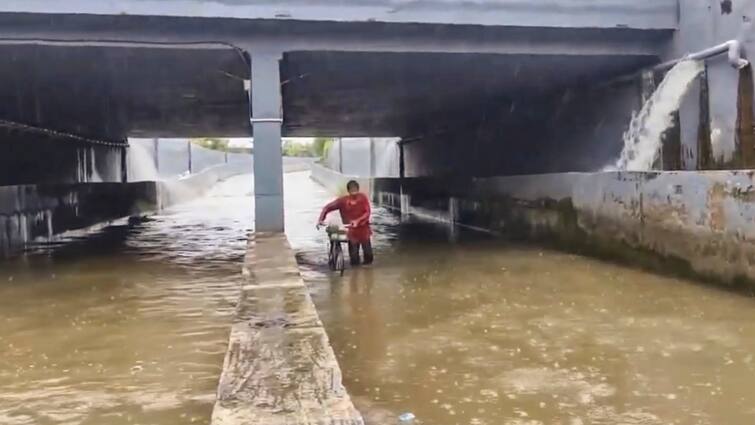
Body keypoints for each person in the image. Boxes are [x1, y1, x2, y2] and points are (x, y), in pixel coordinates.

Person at [318, 180, 373, 266]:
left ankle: (367, 274)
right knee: (354, 258)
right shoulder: (343, 201)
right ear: (348, 191)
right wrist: (321, 219)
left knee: (369, 256)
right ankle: (355, 274)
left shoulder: (363, 198)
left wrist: (357, 221)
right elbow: (327, 208)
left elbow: (367, 212)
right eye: (352, 191)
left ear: (358, 190)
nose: (354, 193)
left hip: (364, 230)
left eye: (355, 190)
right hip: (351, 232)